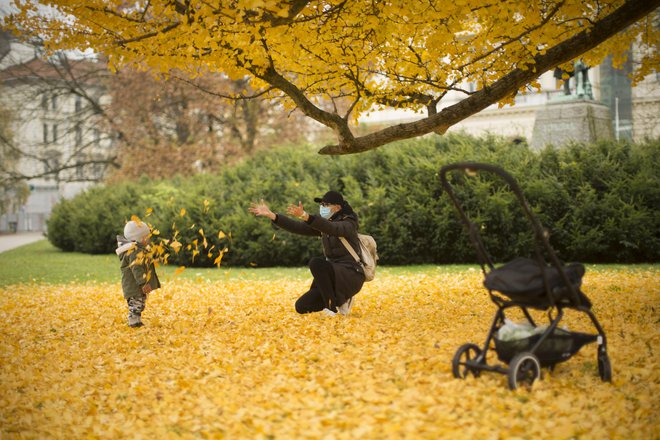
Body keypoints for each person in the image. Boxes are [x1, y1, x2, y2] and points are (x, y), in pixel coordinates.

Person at [249, 190, 365, 316]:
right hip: (333, 275)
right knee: (302, 306)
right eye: (321, 204)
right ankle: (340, 299)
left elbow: (333, 229)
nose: (322, 208)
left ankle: (331, 307)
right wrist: (272, 215)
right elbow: (297, 227)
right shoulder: (324, 224)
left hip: (351, 274)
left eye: (326, 205)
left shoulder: (349, 224)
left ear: (337, 208)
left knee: (316, 263)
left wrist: (305, 215)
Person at [116, 220, 161, 327]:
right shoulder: (134, 251)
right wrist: (143, 283)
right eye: (147, 237)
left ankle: (136, 320)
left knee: (139, 302)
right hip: (134, 284)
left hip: (135, 284)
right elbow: (136, 268)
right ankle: (133, 321)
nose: (149, 239)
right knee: (136, 303)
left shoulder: (137, 249)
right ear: (139, 239)